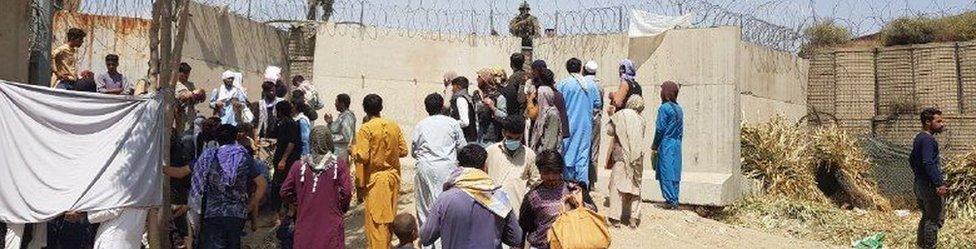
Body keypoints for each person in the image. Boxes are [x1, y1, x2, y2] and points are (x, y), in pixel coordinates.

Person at [420, 145, 524, 249]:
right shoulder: (498, 197)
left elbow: (425, 237)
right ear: (484, 167)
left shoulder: (445, 199)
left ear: (459, 166)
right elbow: (516, 238)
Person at [191, 124, 267, 248]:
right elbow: (262, 184)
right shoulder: (243, 156)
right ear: (236, 137)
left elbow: (196, 178)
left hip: (213, 214)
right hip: (237, 214)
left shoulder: (209, 156)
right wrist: (252, 204)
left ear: (216, 139)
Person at [350, 94, 408, 249]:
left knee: (377, 224)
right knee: (389, 220)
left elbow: (362, 156)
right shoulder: (393, 126)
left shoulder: (366, 128)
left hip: (376, 180)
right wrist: (388, 153)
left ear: (364, 109)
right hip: (393, 178)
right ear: (381, 108)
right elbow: (404, 151)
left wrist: (353, 150)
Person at [280, 125, 353, 249]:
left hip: (305, 226)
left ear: (311, 142)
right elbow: (346, 192)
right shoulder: (338, 165)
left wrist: (298, 202)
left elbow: (284, 191)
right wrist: (341, 208)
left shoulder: (298, 166)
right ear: (329, 141)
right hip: (331, 225)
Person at [411, 93, 465, 248]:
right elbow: (462, 146)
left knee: (424, 207)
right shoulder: (452, 123)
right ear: (442, 107)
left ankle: (427, 244)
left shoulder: (420, 124)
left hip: (424, 167)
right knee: (445, 207)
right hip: (446, 168)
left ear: (426, 108)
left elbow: (413, 151)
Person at [519, 150, 591, 249]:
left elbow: (593, 215)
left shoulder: (575, 190)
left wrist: (580, 204)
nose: (551, 177)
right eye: (546, 173)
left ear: (561, 171)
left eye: (555, 172)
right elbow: (523, 227)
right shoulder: (532, 197)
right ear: (540, 172)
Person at [556, 58, 602, 188]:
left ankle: (568, 184)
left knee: (567, 153)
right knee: (583, 155)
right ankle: (583, 187)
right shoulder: (590, 85)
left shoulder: (563, 84)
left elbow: (558, 102)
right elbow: (597, 104)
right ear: (580, 68)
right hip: (585, 126)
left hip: (568, 125)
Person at [605, 96, 646, 228]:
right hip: (638, 157)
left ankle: (615, 219)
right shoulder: (642, 120)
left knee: (617, 186)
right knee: (635, 188)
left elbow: (610, 131)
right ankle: (633, 219)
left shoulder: (621, 115)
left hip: (622, 155)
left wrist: (611, 116)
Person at [485, 114, 540, 212]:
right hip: (493, 208)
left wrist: (522, 192)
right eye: (510, 138)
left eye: (517, 138)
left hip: (517, 208)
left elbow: (535, 181)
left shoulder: (529, 155)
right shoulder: (490, 152)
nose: (513, 141)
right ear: (503, 133)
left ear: (522, 135)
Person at [910, 108, 948, 249]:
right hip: (929, 186)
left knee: (926, 217)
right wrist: (938, 183)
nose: (942, 124)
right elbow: (928, 162)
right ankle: (929, 246)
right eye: (938, 121)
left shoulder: (919, 138)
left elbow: (911, 159)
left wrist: (919, 175)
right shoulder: (927, 140)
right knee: (933, 219)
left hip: (920, 184)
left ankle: (921, 245)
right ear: (927, 122)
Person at [652, 81, 683, 209]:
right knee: (675, 171)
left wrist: (655, 145)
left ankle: (670, 200)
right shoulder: (679, 109)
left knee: (666, 171)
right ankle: (674, 198)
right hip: (677, 143)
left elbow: (660, 129)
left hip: (667, 143)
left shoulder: (664, 109)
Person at [271, 101, 303, 212]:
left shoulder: (289, 123)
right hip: (283, 159)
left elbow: (291, 142)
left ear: (280, 111)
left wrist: (283, 160)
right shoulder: (284, 123)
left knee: (283, 185)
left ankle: (285, 211)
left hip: (288, 161)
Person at [528, 69, 563, 153]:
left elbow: (550, 142)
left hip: (546, 157)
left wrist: (544, 157)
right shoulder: (542, 113)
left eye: (538, 96)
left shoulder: (552, 114)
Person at [584, 60, 605, 191]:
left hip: (583, 119)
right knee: (594, 150)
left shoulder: (582, 82)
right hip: (596, 119)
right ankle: (591, 182)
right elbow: (600, 104)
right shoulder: (599, 85)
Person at [476, 68, 509, 145]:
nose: (477, 79)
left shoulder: (498, 97)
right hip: (479, 136)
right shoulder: (478, 95)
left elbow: (504, 117)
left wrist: (492, 108)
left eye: (479, 77)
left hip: (490, 139)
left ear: (485, 80)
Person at [449, 77, 479, 143]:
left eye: (453, 87)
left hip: (466, 139)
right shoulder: (468, 97)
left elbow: (465, 122)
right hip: (471, 137)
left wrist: (449, 123)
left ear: (458, 87)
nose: (452, 90)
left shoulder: (460, 99)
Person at [502, 53, 528, 117]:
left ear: (511, 64)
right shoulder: (528, 76)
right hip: (528, 110)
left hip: (517, 113)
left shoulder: (513, 78)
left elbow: (511, 96)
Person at [292, 92, 314, 157]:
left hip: (302, 154)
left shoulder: (302, 120)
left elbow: (305, 140)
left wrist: (305, 155)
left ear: (295, 107)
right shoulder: (295, 119)